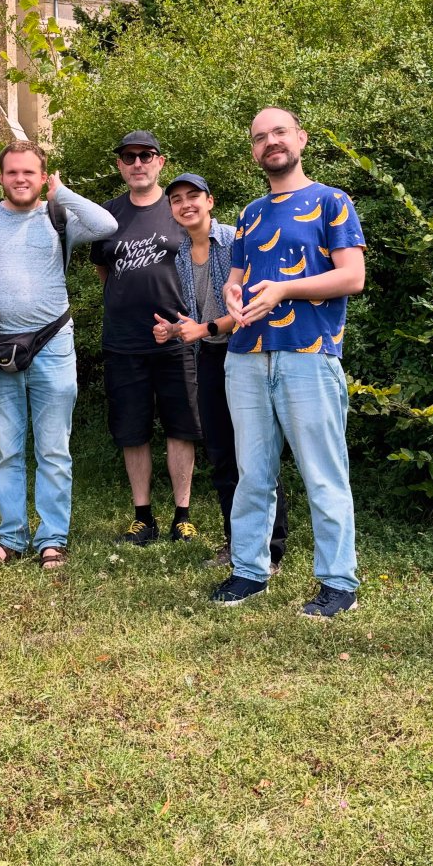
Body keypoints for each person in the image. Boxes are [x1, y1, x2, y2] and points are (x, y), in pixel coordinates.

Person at [216, 107, 367, 616]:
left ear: (300, 138)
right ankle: (249, 571)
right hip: (246, 356)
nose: (271, 142)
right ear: (254, 151)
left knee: (323, 474)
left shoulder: (331, 201)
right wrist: (231, 293)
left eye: (279, 132)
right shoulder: (250, 213)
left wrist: (284, 289)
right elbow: (236, 277)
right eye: (260, 137)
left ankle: (339, 583)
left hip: (309, 354)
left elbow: (352, 277)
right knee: (253, 474)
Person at [0, 141, 117, 570]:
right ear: (0, 177)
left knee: (53, 450)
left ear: (43, 177)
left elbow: (107, 224)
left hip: (53, 343)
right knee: (6, 450)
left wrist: (63, 193)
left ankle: (52, 539)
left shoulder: (60, 217)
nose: (20, 179)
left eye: (29, 172)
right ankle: (11, 537)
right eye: (12, 172)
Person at [153, 173, 288, 570]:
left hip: (248, 353)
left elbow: (248, 307)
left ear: (209, 201)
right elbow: (198, 317)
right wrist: (175, 330)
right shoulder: (180, 253)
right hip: (211, 357)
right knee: (222, 454)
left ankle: (271, 549)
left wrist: (205, 329)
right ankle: (237, 545)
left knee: (257, 454)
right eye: (176, 199)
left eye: (193, 196)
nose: (185, 204)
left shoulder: (234, 240)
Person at [90, 131, 202, 545]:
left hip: (177, 339)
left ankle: (182, 517)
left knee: (181, 428)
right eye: (129, 157)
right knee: (131, 430)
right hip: (123, 342)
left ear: (160, 162)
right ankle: (143, 518)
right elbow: (103, 270)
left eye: (146, 155)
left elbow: (201, 259)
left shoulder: (178, 209)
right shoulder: (106, 216)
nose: (137, 163)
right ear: (120, 166)